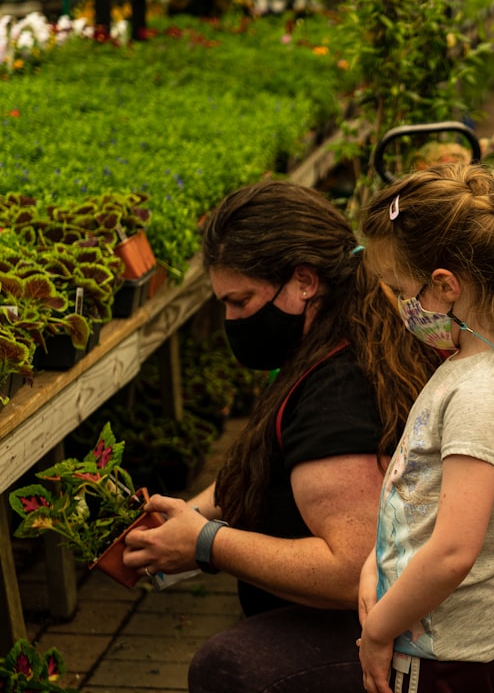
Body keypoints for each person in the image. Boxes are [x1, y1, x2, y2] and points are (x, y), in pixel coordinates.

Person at [122, 180, 442, 693]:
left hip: (404, 637)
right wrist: (190, 515)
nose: (231, 320)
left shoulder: (341, 390)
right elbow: (269, 464)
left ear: (303, 281)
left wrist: (206, 544)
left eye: (241, 300)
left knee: (228, 667)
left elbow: (351, 568)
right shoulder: (349, 326)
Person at [356, 163, 494, 693]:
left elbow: (452, 552)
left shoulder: (479, 395)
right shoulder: (478, 362)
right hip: (442, 628)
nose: (398, 304)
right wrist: (374, 569)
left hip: (441, 650)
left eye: (399, 288)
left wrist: (378, 633)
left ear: (445, 285)